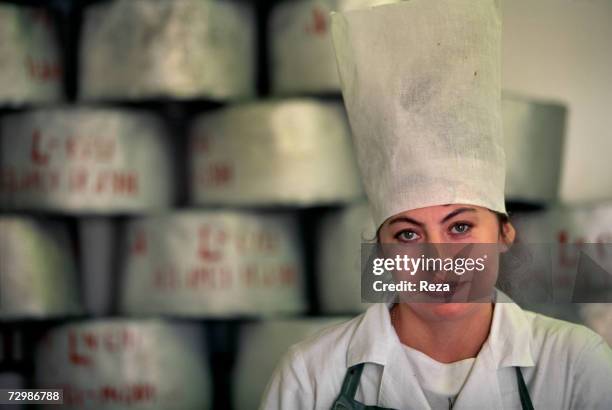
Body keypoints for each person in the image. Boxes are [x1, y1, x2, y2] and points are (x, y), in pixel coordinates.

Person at [259, 0, 612, 409]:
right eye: (408, 234)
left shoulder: (575, 364)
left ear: (504, 234)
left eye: (460, 227)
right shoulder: (310, 375)